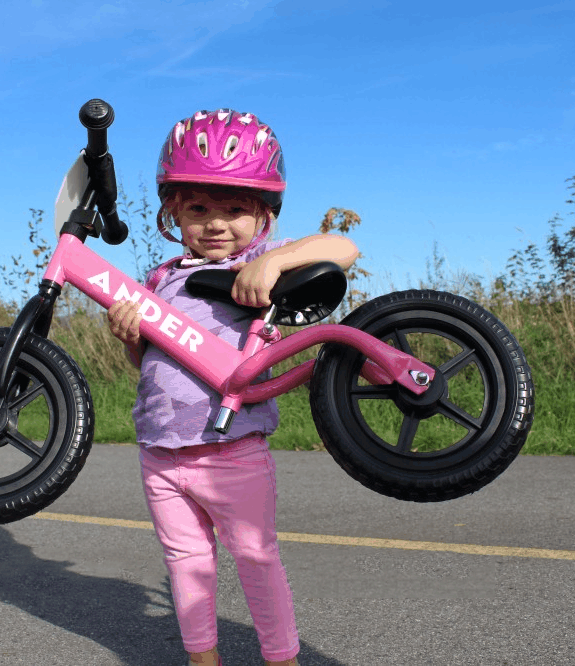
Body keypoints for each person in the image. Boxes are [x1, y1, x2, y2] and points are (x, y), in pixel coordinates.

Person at [106, 109, 359, 666]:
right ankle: (203, 658)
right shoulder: (161, 279)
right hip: (160, 451)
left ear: (264, 213)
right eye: (198, 208)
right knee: (185, 562)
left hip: (234, 450)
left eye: (235, 209)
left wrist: (274, 264)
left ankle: (281, 658)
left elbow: (343, 249)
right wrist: (130, 334)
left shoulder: (257, 264)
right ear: (172, 208)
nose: (216, 223)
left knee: (256, 558)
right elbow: (149, 367)